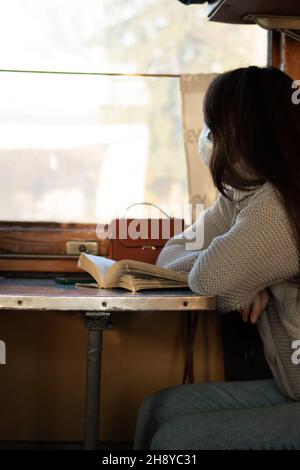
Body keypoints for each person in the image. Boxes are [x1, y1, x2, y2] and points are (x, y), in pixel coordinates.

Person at [134, 66, 300, 450]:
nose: (208, 139)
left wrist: (239, 272)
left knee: (178, 439)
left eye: (213, 126)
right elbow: (170, 257)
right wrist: (243, 271)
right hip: (291, 389)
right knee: (159, 409)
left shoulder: (279, 203)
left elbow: (211, 283)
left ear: (244, 130)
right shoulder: (244, 195)